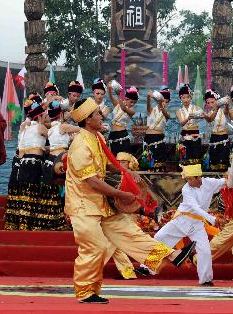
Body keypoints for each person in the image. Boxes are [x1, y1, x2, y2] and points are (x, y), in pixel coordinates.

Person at [65, 97, 195, 303]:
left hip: (100, 203)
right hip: (83, 206)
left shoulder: (95, 137)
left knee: (131, 234)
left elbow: (107, 163)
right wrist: (120, 194)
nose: (101, 116)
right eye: (98, 113)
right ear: (88, 120)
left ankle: (172, 256)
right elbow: (92, 182)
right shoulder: (81, 145)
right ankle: (85, 292)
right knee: (95, 247)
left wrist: (125, 171)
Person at [153, 164, 224, 285]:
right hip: (182, 220)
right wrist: (212, 219)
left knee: (205, 251)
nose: (188, 181)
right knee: (159, 237)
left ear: (198, 177)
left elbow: (227, 181)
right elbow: (195, 208)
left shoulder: (210, 183)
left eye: (191, 179)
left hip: (197, 224)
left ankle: (206, 280)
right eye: (187, 179)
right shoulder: (186, 189)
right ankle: (147, 267)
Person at [3, 99, 65, 230]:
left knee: (24, 194)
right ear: (40, 117)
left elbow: (31, 147)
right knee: (33, 193)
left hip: (23, 162)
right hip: (34, 163)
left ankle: (20, 224)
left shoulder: (26, 128)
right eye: (45, 116)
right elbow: (53, 139)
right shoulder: (40, 127)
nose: (47, 119)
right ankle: (30, 225)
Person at [109, 152, 151, 280]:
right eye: (118, 162)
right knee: (114, 243)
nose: (120, 164)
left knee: (136, 241)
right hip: (116, 213)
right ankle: (129, 271)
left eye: (123, 162)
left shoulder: (134, 177)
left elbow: (141, 196)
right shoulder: (114, 176)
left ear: (129, 163)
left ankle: (141, 267)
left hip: (129, 214)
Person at [205, 90, 233, 172]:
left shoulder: (223, 111)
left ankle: (223, 180)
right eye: (208, 103)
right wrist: (215, 109)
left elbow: (226, 112)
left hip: (223, 137)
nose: (210, 105)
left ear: (217, 101)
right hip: (214, 137)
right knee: (214, 159)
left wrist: (226, 104)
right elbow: (210, 119)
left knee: (223, 159)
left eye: (212, 102)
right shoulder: (208, 113)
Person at [142, 87, 171, 169]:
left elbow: (167, 115)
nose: (164, 103)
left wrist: (161, 105)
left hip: (158, 138)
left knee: (158, 163)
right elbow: (148, 106)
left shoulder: (167, 112)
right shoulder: (152, 110)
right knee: (147, 162)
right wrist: (148, 97)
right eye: (162, 100)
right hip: (148, 138)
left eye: (166, 101)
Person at [176, 85, 203, 165]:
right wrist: (188, 118)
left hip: (195, 135)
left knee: (195, 158)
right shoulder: (178, 111)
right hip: (184, 135)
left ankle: (195, 176)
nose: (186, 100)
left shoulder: (197, 109)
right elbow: (181, 123)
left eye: (188, 97)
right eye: (183, 98)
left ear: (191, 97)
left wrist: (200, 116)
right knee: (185, 158)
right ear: (180, 98)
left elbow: (203, 116)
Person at [107, 86, 138, 155]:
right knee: (113, 159)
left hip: (122, 135)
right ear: (126, 99)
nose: (132, 104)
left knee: (123, 159)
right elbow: (111, 97)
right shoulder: (117, 104)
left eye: (134, 103)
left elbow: (124, 109)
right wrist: (109, 88)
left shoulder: (132, 111)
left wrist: (118, 95)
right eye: (131, 102)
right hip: (112, 135)